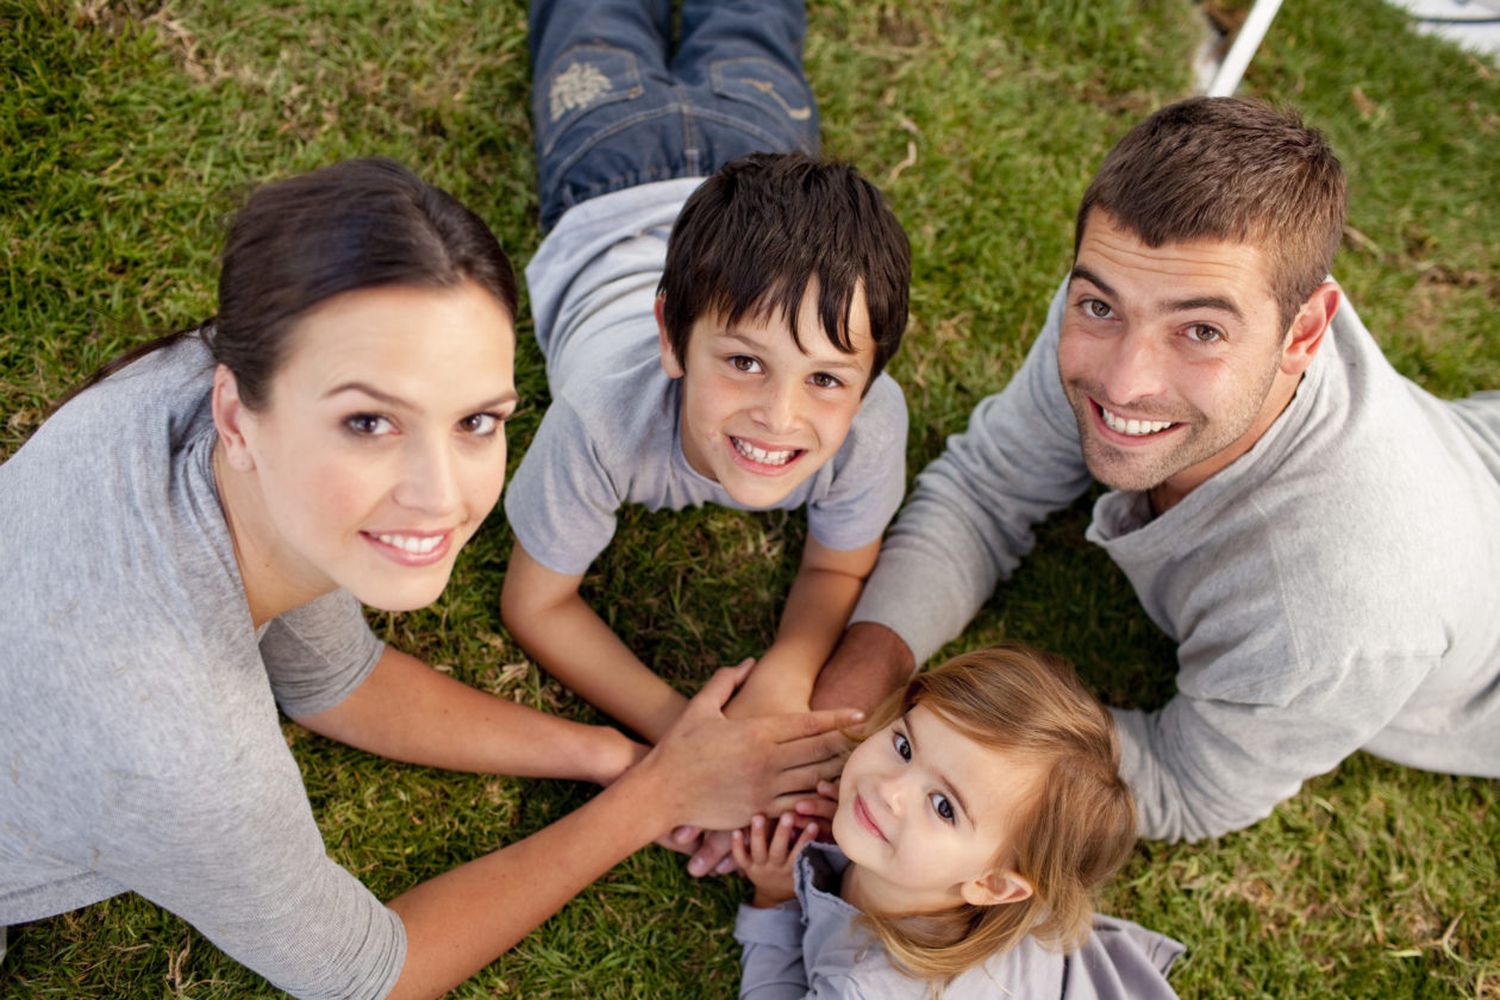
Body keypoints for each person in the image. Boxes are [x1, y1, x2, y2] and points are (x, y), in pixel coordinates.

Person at [0, 157, 863, 1000]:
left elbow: (329, 679)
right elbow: (369, 975)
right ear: (237, 412)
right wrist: (652, 800)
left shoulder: (211, 409)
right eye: (369, 421)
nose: (439, 496)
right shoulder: (180, 746)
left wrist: (617, 757)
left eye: (476, 421)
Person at [810, 97, 1500, 844]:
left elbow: (1186, 784)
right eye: (1098, 306)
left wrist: (932, 742)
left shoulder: (1336, 611)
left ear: (1304, 332)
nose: (1126, 379)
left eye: (1200, 331)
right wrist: (840, 710)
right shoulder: (1135, 283)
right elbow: (983, 491)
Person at [500, 0, 911, 872]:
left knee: (752, 21)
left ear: (867, 382)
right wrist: (683, 731)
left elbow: (839, 566)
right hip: (608, 170)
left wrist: (787, 673)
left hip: (749, 163)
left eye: (827, 378)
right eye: (744, 363)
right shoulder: (602, 418)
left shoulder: (872, 427)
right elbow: (534, 601)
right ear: (670, 337)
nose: (780, 415)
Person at [733, 645, 1184, 998]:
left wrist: (776, 904)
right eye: (905, 748)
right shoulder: (963, 866)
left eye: (943, 806)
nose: (888, 791)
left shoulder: (866, 988)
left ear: (992, 886)